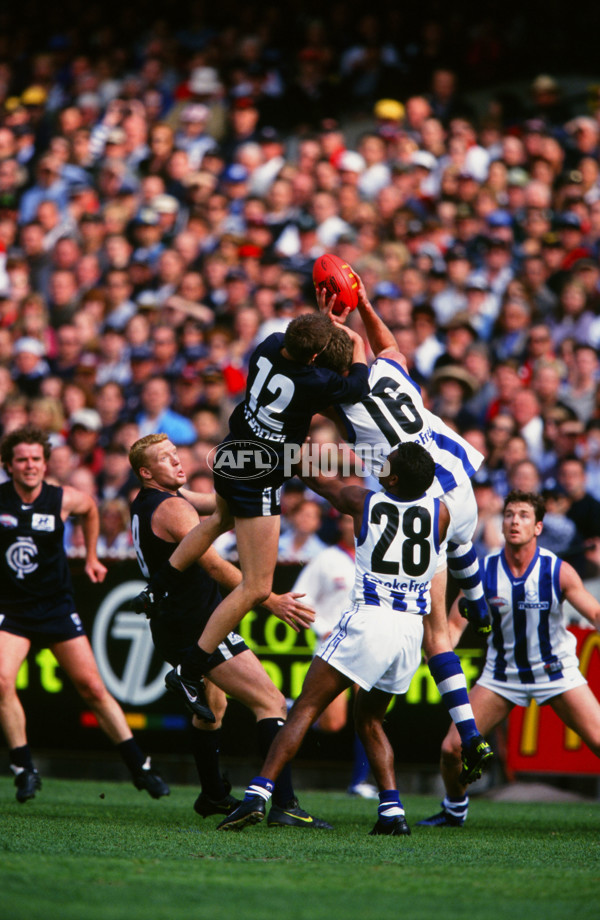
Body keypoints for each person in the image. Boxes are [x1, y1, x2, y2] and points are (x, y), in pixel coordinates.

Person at [218, 442, 485, 835]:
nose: (381, 462)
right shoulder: (441, 513)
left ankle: (257, 794)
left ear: (393, 478)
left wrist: (286, 448)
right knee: (371, 720)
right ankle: (392, 812)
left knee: (304, 708)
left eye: (387, 462)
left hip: (369, 619)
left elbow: (318, 482)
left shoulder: (364, 501)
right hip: (410, 632)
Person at [133, 313, 369, 721]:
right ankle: (191, 671)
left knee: (217, 521)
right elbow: (358, 385)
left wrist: (326, 325)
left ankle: (158, 587)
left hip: (233, 452)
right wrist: (357, 342)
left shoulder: (268, 344)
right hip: (260, 472)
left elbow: (304, 349)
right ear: (314, 354)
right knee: (257, 588)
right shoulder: (313, 381)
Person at [314, 282, 494, 775]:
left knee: (437, 635)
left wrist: (319, 327)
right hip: (459, 478)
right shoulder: (388, 372)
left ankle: (471, 734)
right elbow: (389, 346)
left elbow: (315, 383)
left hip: (421, 501)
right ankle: (478, 604)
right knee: (464, 547)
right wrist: (363, 307)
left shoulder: (342, 404)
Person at [128, 433, 330, 828]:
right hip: (197, 626)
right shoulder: (172, 508)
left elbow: (221, 503)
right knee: (271, 702)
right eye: (166, 459)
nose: (178, 462)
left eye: (177, 455)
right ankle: (285, 804)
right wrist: (268, 599)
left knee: (213, 710)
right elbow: (216, 566)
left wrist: (272, 466)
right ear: (146, 472)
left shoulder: (154, 501)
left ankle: (212, 795)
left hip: (175, 622)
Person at [0, 425, 169, 804]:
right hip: (10, 609)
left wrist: (91, 556)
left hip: (56, 604)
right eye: (22, 459)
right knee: (1, 681)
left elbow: (91, 508)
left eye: (36, 459)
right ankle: (24, 768)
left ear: (45, 464)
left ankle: (140, 767)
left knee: (92, 688)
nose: (30, 466)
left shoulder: (63, 498)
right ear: (8, 465)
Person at [417, 490, 600, 828]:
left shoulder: (558, 570)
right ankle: (455, 809)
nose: (515, 521)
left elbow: (594, 612)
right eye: (509, 514)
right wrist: (438, 656)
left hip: (556, 672)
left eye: (524, 515)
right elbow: (454, 628)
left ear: (539, 527)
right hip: (501, 677)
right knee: (451, 749)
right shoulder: (482, 572)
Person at [291, 511, 377, 799]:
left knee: (368, 713)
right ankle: (288, 706)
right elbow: (299, 597)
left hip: (369, 645)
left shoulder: (379, 557)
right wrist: (324, 629)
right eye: (346, 519)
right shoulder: (326, 559)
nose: (352, 525)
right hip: (333, 646)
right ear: (339, 525)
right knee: (333, 723)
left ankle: (359, 781)